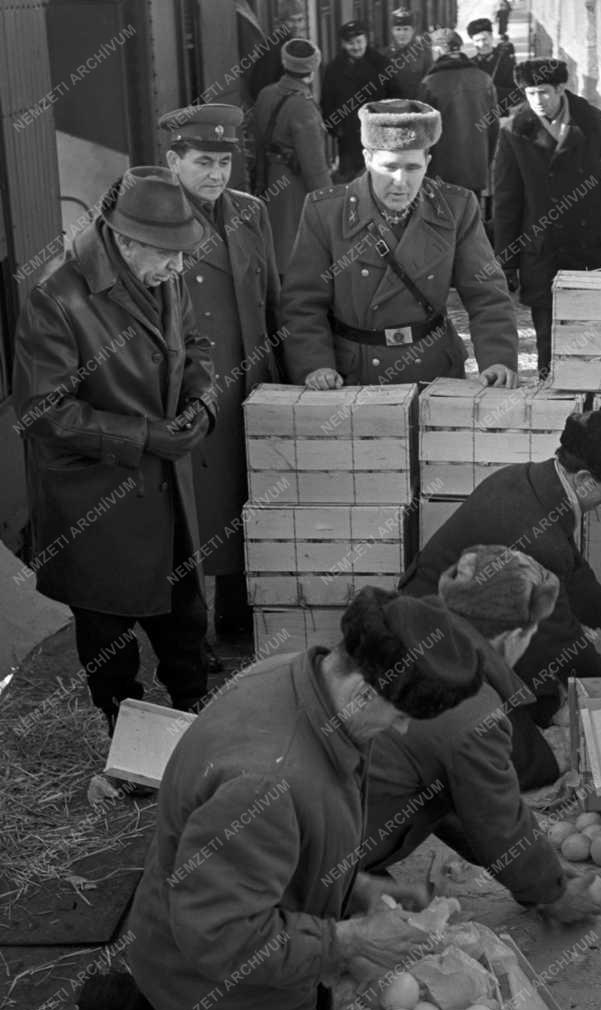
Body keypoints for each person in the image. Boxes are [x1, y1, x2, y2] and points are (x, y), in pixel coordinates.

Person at [0, 589, 486, 1010]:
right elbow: (225, 939)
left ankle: (124, 1009)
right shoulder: (268, 779)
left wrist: (352, 885)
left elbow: (278, 850)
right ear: (362, 690)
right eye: (401, 713)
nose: (404, 729)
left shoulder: (296, 675)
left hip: (185, 930)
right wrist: (350, 941)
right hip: (211, 969)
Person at [12, 167, 215, 736]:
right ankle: (124, 733)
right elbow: (42, 410)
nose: (179, 268)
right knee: (108, 628)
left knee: (185, 616)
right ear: (125, 241)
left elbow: (195, 346)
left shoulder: (161, 273)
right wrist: (145, 436)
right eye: (167, 255)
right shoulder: (55, 296)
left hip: (165, 485)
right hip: (94, 497)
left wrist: (203, 402)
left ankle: (192, 712)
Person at [400, 406, 601, 731]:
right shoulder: (538, 535)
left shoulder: (532, 480)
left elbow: (571, 569)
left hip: (446, 606)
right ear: (585, 479)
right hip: (430, 635)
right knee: (528, 720)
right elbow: (557, 634)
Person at [365, 547, 601, 875]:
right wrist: (553, 891)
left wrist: (522, 862)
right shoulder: (470, 704)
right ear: (513, 637)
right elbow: (494, 817)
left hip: (324, 826)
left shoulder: (399, 638)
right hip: (318, 860)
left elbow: (448, 795)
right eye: (532, 633)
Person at [281, 99, 518, 389]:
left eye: (412, 167)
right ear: (368, 159)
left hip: (433, 372)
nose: (400, 181)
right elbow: (302, 303)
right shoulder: (326, 212)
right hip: (354, 378)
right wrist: (315, 365)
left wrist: (497, 360)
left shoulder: (456, 208)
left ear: (427, 163)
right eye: (389, 167)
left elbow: (487, 294)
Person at [160, 103, 281, 642]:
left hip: (251, 382)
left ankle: (240, 623)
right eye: (203, 162)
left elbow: (272, 299)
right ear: (173, 160)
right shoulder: (154, 218)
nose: (216, 175)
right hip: (193, 389)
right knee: (197, 515)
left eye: (224, 163)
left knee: (247, 500)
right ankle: (194, 637)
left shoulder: (251, 212)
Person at [492, 58, 601, 379]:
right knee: (548, 339)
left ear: (561, 88)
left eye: (543, 92)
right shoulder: (514, 132)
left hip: (591, 248)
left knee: (591, 338)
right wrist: (506, 261)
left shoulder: (593, 122)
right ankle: (552, 406)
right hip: (543, 253)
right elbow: (506, 202)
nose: (537, 101)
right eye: (530, 93)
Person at [251, 38, 332, 268]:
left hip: (268, 179)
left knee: (274, 245)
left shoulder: (266, 94)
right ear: (312, 69)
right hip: (294, 189)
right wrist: (329, 205)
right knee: (294, 253)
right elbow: (315, 167)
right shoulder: (303, 107)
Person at [418, 30, 498, 202]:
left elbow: (422, 134)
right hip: (475, 168)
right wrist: (485, 160)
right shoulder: (484, 79)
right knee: (471, 218)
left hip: (441, 172)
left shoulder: (430, 83)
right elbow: (493, 129)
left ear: (438, 50)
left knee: (443, 220)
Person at [320, 20, 394, 182]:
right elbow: (327, 101)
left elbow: (395, 97)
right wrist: (336, 128)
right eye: (350, 43)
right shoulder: (334, 69)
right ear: (343, 44)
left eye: (359, 41)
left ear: (366, 40)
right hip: (348, 140)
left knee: (380, 180)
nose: (356, 47)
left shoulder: (381, 64)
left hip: (379, 136)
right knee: (351, 184)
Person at [467, 17, 520, 118]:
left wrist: (492, 91)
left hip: (501, 118)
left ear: (491, 37)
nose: (481, 44)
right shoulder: (469, 64)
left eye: (484, 39)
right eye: (477, 40)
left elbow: (517, 94)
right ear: (473, 42)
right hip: (474, 119)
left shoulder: (507, 62)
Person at [383, 7, 434, 100]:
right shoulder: (385, 54)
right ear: (392, 31)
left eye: (406, 29)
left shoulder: (424, 53)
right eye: (398, 29)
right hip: (392, 108)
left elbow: (430, 82)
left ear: (413, 30)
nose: (402, 33)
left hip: (417, 106)